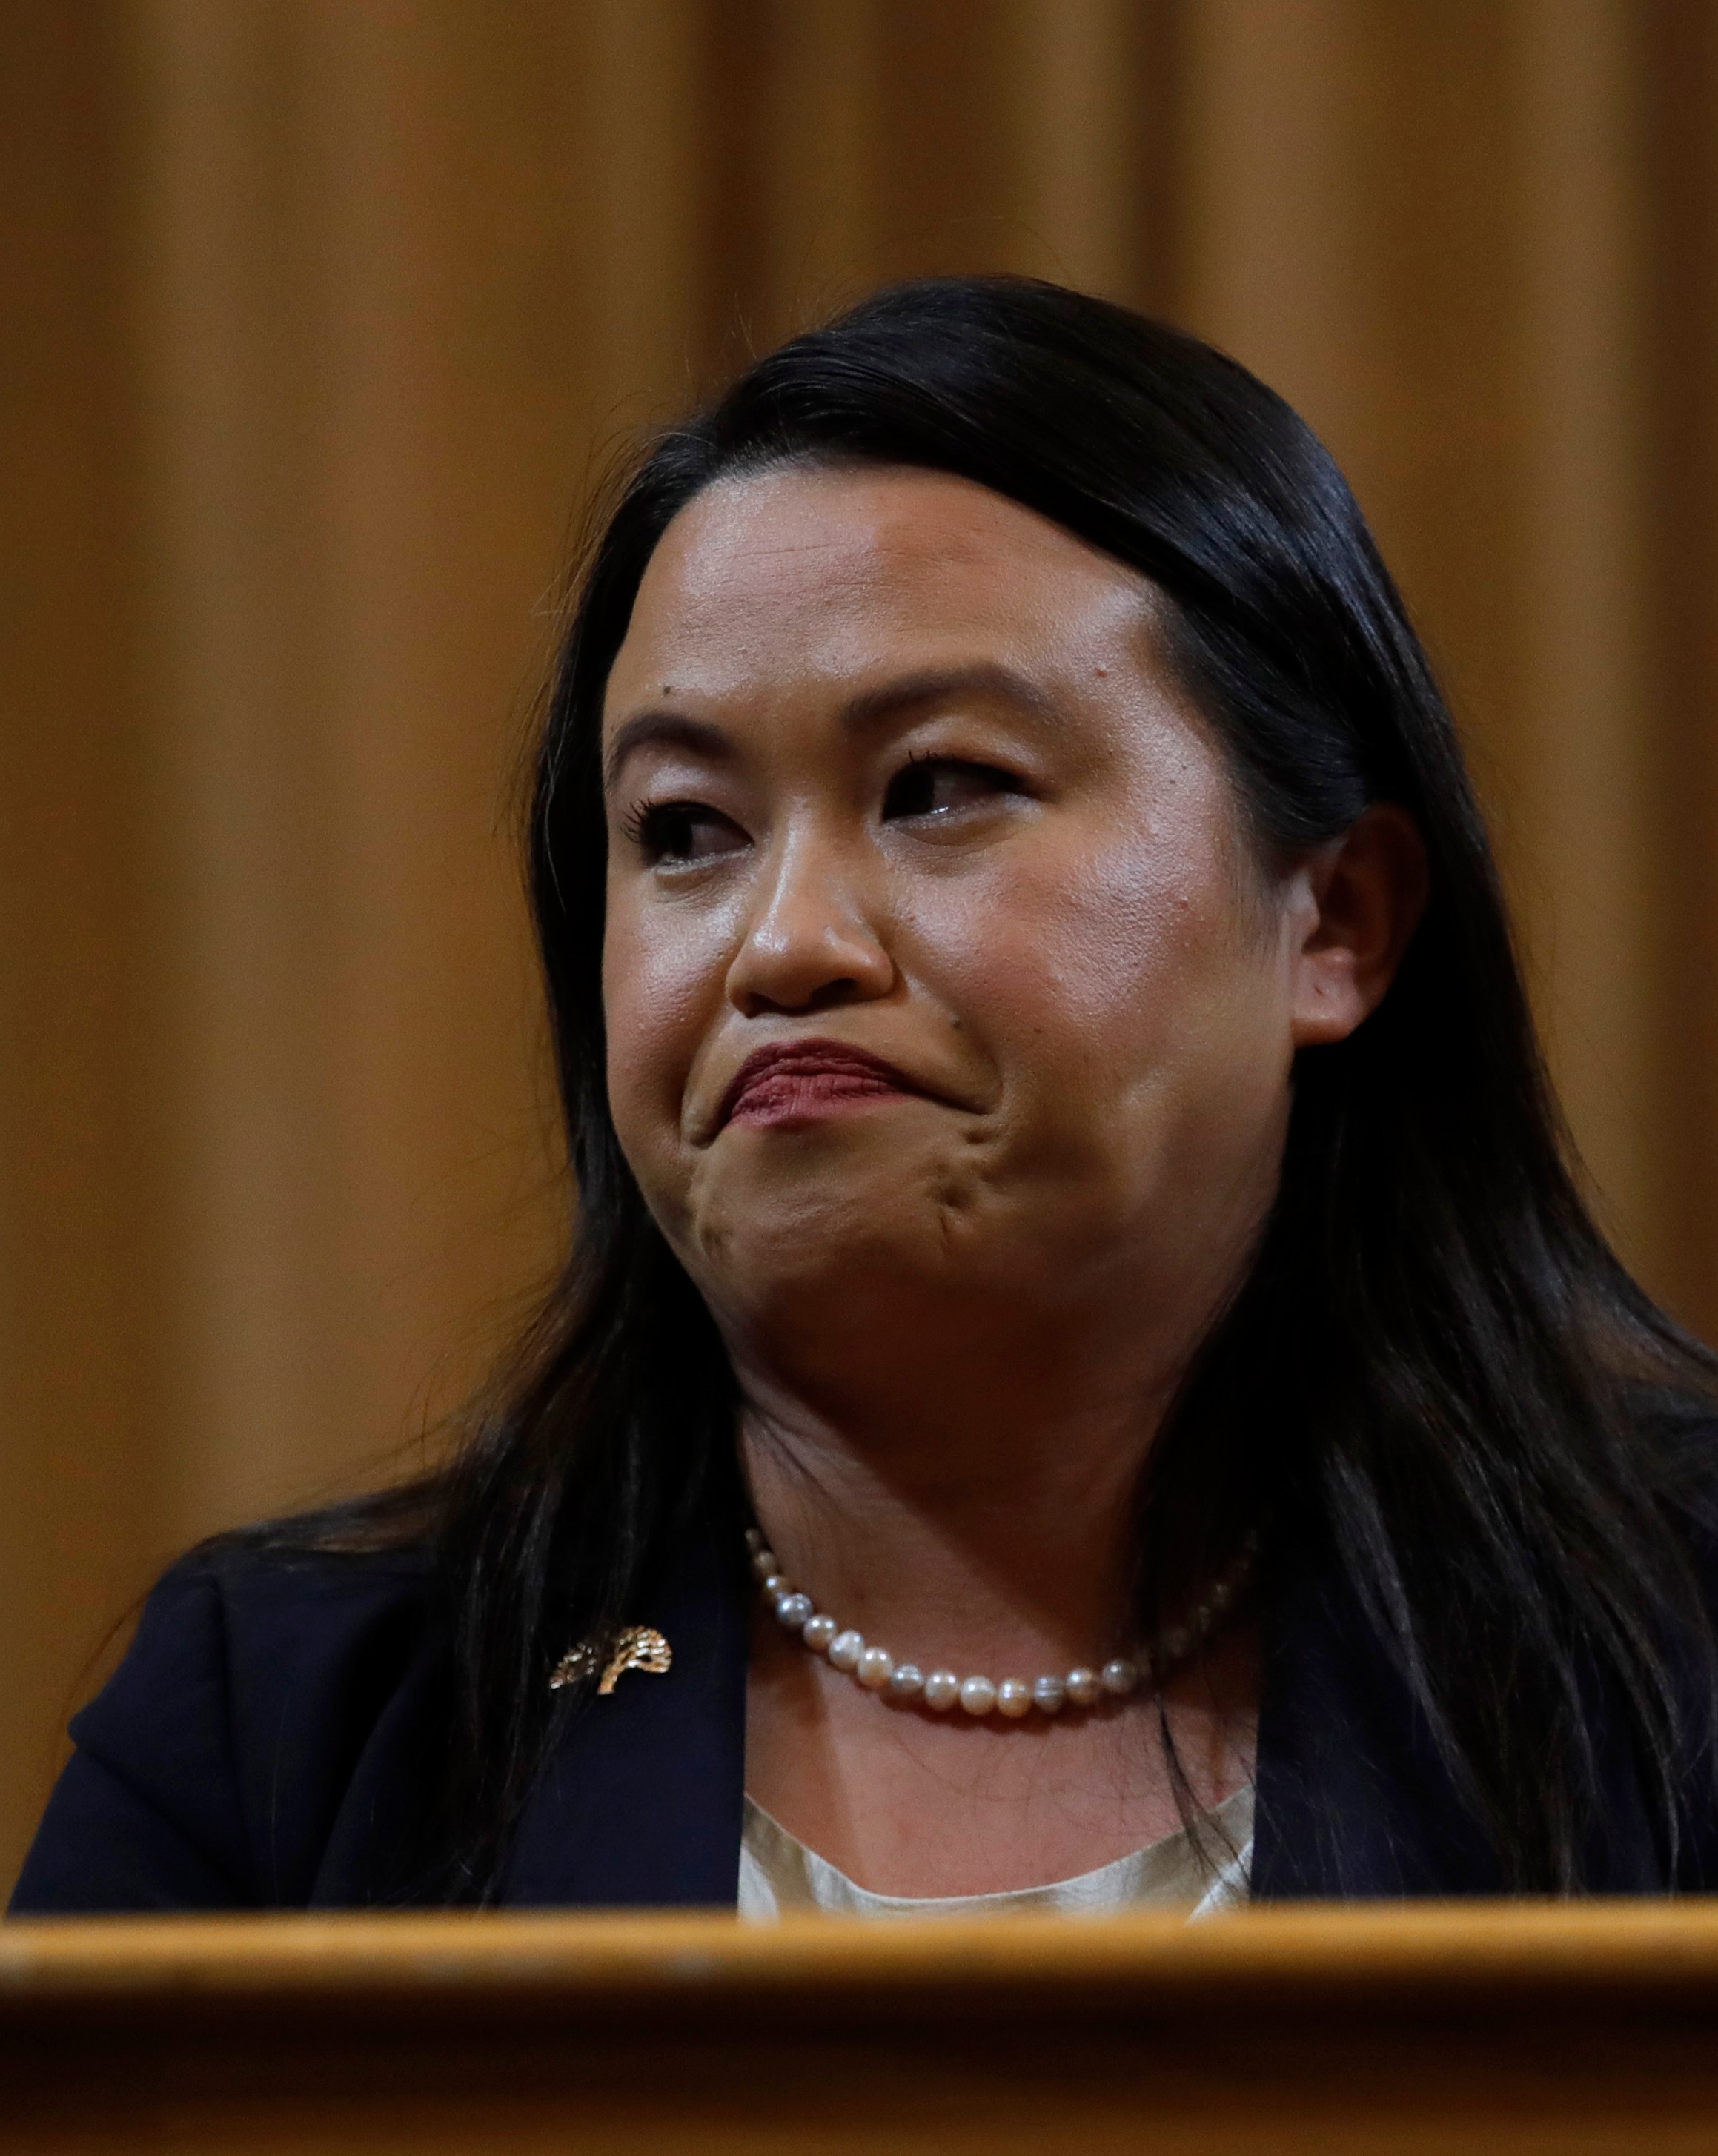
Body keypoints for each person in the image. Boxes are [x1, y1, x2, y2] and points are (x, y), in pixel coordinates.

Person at [14, 274, 1718, 1919]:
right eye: (685, 829)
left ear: (1330, 921)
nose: (784, 944)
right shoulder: (287, 1728)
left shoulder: (1675, 1644)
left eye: (942, 786)